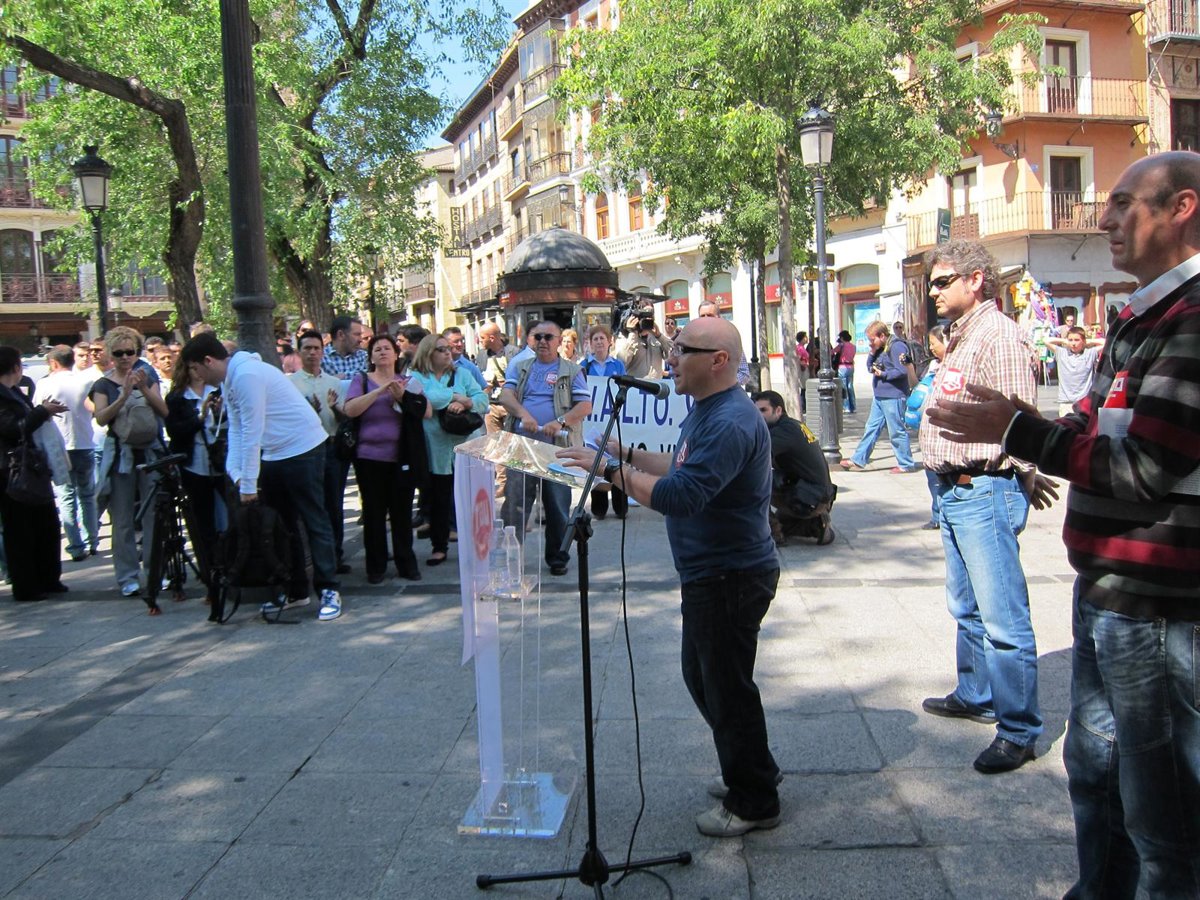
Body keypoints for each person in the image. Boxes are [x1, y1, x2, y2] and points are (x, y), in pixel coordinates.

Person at [927, 152, 1200, 898]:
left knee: (1163, 812)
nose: (1105, 218)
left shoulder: (1190, 321)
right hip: (1109, 591)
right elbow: (1088, 420)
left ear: (1182, 209)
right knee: (1096, 769)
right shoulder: (1140, 316)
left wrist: (1014, 432)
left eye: (1124, 203)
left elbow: (1144, 466)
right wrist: (1031, 427)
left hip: (1157, 605)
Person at [557, 315, 781, 838]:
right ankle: (752, 767)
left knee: (725, 689)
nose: (670, 358)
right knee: (706, 679)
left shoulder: (730, 421)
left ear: (718, 361)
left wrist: (609, 471)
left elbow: (680, 496)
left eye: (682, 350)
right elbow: (679, 466)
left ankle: (755, 799)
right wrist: (624, 453)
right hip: (712, 573)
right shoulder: (707, 409)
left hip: (729, 575)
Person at [916, 239, 1045, 776]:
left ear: (976, 280)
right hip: (954, 490)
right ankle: (976, 692)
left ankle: (1018, 730)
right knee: (965, 606)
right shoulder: (962, 336)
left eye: (943, 281)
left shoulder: (999, 335)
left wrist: (1026, 471)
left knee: (1003, 617)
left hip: (984, 489)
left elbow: (1022, 419)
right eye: (932, 283)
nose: (933, 291)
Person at [181, 332, 344, 621]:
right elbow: (237, 429)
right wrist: (237, 474)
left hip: (304, 449)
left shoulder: (247, 376)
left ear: (208, 361)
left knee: (314, 520)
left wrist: (247, 485)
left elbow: (252, 430)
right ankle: (296, 590)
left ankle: (329, 589)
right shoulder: (230, 381)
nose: (197, 376)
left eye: (195, 368)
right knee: (284, 525)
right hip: (274, 454)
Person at [498, 321, 592, 577]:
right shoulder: (520, 366)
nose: (542, 341)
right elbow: (506, 396)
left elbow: (584, 406)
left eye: (548, 337)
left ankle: (558, 558)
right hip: (522, 446)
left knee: (557, 506)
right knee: (515, 504)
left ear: (559, 340)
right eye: (537, 336)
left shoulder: (572, 370)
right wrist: (524, 415)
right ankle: (510, 556)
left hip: (557, 449)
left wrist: (560, 422)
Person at [342, 334, 430, 583]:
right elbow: (350, 409)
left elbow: (426, 411)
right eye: (377, 349)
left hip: (401, 457)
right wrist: (380, 390)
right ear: (371, 356)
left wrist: (402, 397)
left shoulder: (408, 382)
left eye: (387, 348)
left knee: (402, 513)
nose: (382, 352)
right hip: (368, 457)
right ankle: (376, 566)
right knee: (374, 513)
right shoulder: (361, 380)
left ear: (395, 354)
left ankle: (406, 564)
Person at [91, 326, 169, 599]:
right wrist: (123, 395)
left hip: (149, 453)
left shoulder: (147, 375)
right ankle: (127, 576)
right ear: (110, 355)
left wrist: (143, 388)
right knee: (122, 519)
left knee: (152, 517)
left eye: (130, 352)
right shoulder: (103, 384)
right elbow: (101, 418)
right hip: (121, 456)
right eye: (119, 353)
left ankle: (155, 570)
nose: (125, 357)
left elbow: (163, 410)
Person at [410, 334, 487, 565]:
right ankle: (439, 546)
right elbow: (424, 398)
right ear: (428, 353)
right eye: (441, 349)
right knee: (438, 499)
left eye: (448, 348)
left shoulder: (462, 373)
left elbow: (483, 401)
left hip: (465, 445)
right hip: (435, 449)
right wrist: (455, 397)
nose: (447, 352)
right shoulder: (416, 376)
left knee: (469, 500)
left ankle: (474, 546)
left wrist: (467, 403)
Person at [0, 346, 68, 602]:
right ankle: (26, 585)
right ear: (15, 367)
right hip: (12, 470)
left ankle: (48, 578)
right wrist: (42, 412)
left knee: (46, 524)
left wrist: (43, 411)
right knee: (20, 530)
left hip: (32, 466)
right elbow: (12, 429)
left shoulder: (16, 392)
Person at [163, 357, 227, 605]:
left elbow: (230, 423)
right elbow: (175, 431)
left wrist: (218, 413)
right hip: (194, 465)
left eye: (200, 366)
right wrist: (200, 417)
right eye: (192, 367)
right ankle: (210, 575)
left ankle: (228, 567)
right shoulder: (177, 398)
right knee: (202, 523)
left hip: (221, 463)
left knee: (228, 518)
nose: (197, 372)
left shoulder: (218, 390)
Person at [290, 329, 350, 573]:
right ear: (299, 352)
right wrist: (309, 412)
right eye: (307, 348)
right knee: (312, 505)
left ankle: (336, 555)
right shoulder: (290, 384)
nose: (312, 353)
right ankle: (315, 557)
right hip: (305, 450)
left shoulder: (334, 383)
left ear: (323, 352)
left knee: (334, 503)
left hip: (332, 447)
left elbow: (344, 417)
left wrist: (334, 408)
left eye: (316, 348)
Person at [33, 345, 98, 562]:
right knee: (87, 495)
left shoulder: (45, 383)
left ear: (53, 363)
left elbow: (36, 412)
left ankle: (76, 546)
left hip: (60, 446)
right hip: (85, 442)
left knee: (66, 497)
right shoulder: (85, 381)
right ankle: (92, 540)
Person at [753, 390, 835, 545]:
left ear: (778, 410)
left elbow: (754, 459)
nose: (759, 415)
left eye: (763, 410)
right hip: (815, 493)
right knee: (786, 524)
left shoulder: (783, 432)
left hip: (809, 498)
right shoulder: (792, 425)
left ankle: (773, 535)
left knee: (750, 483)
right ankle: (816, 524)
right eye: (756, 411)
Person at [839, 322, 917, 474]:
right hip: (880, 395)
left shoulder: (897, 346)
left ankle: (906, 463)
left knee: (896, 430)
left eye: (872, 339)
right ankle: (858, 459)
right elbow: (870, 367)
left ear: (882, 336)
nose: (870, 343)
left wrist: (884, 374)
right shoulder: (880, 348)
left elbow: (902, 370)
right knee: (871, 428)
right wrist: (872, 352)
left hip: (893, 395)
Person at [581, 324, 628, 519]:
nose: (599, 342)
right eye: (596, 339)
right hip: (593, 420)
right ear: (590, 343)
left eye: (602, 338)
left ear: (610, 342)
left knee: (617, 459)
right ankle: (599, 507)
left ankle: (620, 506)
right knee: (595, 462)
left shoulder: (618, 365)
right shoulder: (584, 366)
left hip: (615, 418)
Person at [907, 325, 946, 530]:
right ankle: (937, 515)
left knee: (942, 478)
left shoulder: (954, 367)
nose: (931, 348)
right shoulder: (932, 365)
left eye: (933, 343)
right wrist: (909, 367)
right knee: (932, 478)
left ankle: (942, 515)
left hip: (944, 433)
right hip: (928, 431)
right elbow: (917, 387)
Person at [1044, 327, 1103, 417]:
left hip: (1084, 402)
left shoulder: (1089, 353)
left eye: (1077, 340)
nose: (1073, 343)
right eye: (1070, 340)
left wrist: (1088, 342)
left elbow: (1105, 343)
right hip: (1066, 402)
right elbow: (1046, 340)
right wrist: (1064, 341)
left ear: (1083, 341)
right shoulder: (1061, 353)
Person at [615, 307, 672, 378]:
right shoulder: (627, 337)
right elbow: (621, 361)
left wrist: (659, 336)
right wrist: (632, 333)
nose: (647, 320)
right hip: (637, 384)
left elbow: (673, 354)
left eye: (650, 317)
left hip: (655, 384)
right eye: (644, 317)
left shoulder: (657, 338)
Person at [322, 315, 368, 380]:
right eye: (357, 334)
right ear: (341, 335)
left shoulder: (363, 356)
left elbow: (368, 377)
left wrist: (341, 377)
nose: (360, 339)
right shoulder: (321, 358)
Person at [833, 330, 856, 413]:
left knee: (843, 387)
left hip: (842, 367)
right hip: (851, 367)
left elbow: (832, 352)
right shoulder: (853, 346)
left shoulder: (841, 346)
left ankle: (846, 407)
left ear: (842, 337)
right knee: (850, 386)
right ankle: (853, 406)